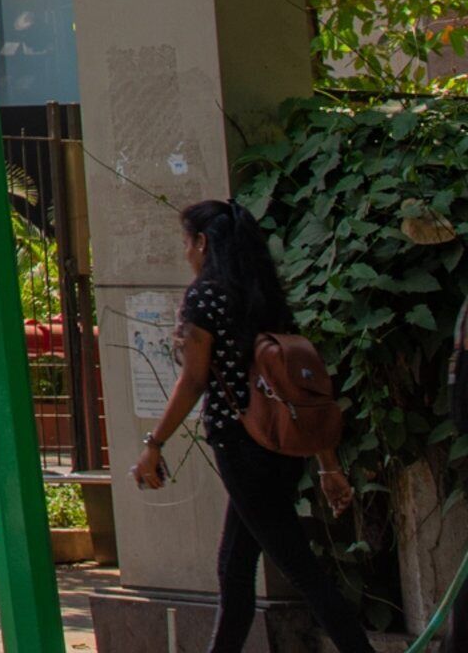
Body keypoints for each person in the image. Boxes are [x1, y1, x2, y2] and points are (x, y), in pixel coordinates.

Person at [136, 198, 374, 653]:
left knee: (300, 568)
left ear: (202, 243)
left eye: (186, 244)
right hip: (282, 446)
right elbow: (300, 389)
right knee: (235, 567)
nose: (185, 253)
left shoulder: (205, 296)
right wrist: (326, 463)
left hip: (241, 446)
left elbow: (193, 381)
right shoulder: (263, 294)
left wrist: (154, 442)